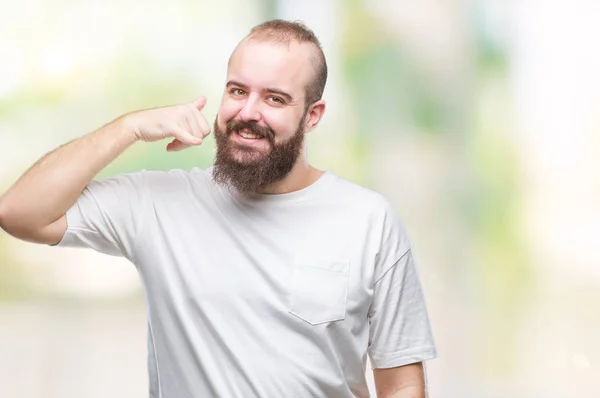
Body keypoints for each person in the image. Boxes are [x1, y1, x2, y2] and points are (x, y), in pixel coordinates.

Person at [0, 19, 437, 398]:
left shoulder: (368, 220)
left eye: (275, 99)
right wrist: (129, 127)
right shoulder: (158, 205)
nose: (248, 112)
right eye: (237, 90)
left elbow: (400, 384)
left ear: (313, 115)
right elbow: (20, 212)